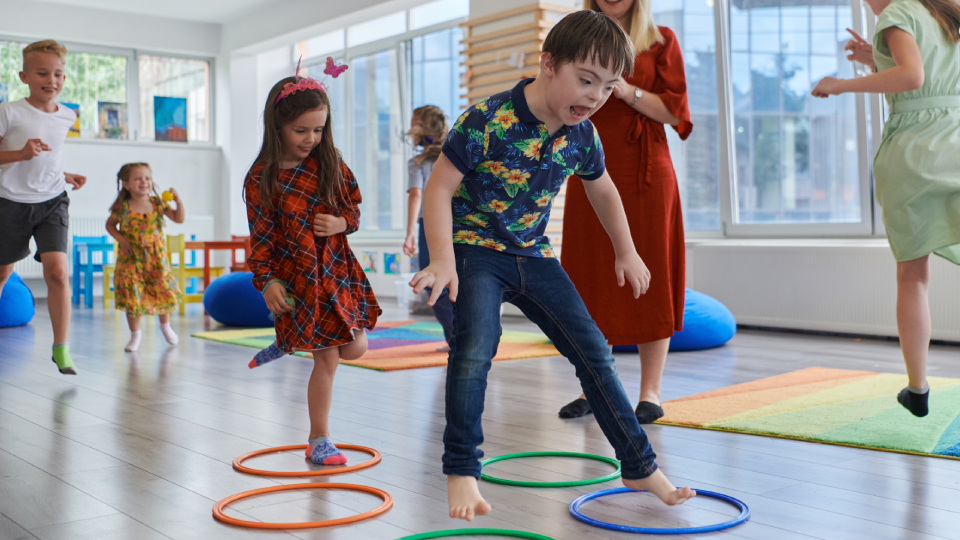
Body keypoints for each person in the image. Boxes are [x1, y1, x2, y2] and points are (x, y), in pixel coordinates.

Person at [411, 9, 695, 522]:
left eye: (608, 88)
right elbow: (440, 186)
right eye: (585, 80)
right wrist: (444, 259)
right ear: (548, 64)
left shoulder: (581, 134)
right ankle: (461, 470)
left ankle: (637, 464)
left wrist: (626, 251)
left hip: (535, 254)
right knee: (475, 349)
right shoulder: (488, 118)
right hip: (476, 250)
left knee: (594, 353)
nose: (594, 97)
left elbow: (603, 189)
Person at [812, 0, 960, 417]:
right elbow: (929, 70)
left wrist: (840, 84)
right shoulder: (946, 12)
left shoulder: (896, 14)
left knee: (913, 275)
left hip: (917, 154)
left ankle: (918, 388)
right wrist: (874, 56)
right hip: (956, 139)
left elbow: (913, 76)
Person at [558, 0, 692, 424]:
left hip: (645, 170)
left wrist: (623, 89)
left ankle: (650, 392)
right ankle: (592, 385)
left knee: (651, 275)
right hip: (589, 165)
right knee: (591, 276)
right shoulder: (576, 38)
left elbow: (675, 112)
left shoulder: (661, 40)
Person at [244, 70, 381, 464]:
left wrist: (341, 223)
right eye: (300, 130)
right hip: (298, 279)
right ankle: (319, 438)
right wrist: (266, 280)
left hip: (336, 272)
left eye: (318, 130)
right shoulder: (261, 178)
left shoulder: (329, 163)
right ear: (277, 126)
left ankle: (288, 342)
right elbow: (261, 237)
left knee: (355, 348)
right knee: (329, 357)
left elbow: (353, 208)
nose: (310, 139)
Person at [0, 39, 87, 375]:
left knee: (58, 273)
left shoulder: (68, 115)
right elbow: (20, 158)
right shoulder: (8, 111)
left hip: (53, 201)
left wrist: (65, 175)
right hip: (11, 203)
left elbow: (48, 158)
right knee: (4, 273)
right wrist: (20, 154)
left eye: (59, 74)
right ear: (24, 76)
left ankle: (61, 348)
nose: (52, 80)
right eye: (42, 73)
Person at [105, 163, 183, 352]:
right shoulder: (122, 207)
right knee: (133, 294)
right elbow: (110, 225)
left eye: (147, 178)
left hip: (156, 259)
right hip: (131, 259)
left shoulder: (157, 204)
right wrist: (122, 240)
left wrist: (178, 202)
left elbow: (178, 218)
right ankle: (135, 334)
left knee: (161, 289)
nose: (144, 182)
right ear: (126, 184)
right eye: (138, 178)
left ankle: (165, 326)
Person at [404, 105, 454, 350]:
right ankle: (462, 337)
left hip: (430, 225)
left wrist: (410, 231)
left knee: (433, 282)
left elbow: (416, 195)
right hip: (457, 223)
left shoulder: (418, 162)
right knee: (456, 281)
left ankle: (456, 338)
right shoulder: (452, 155)